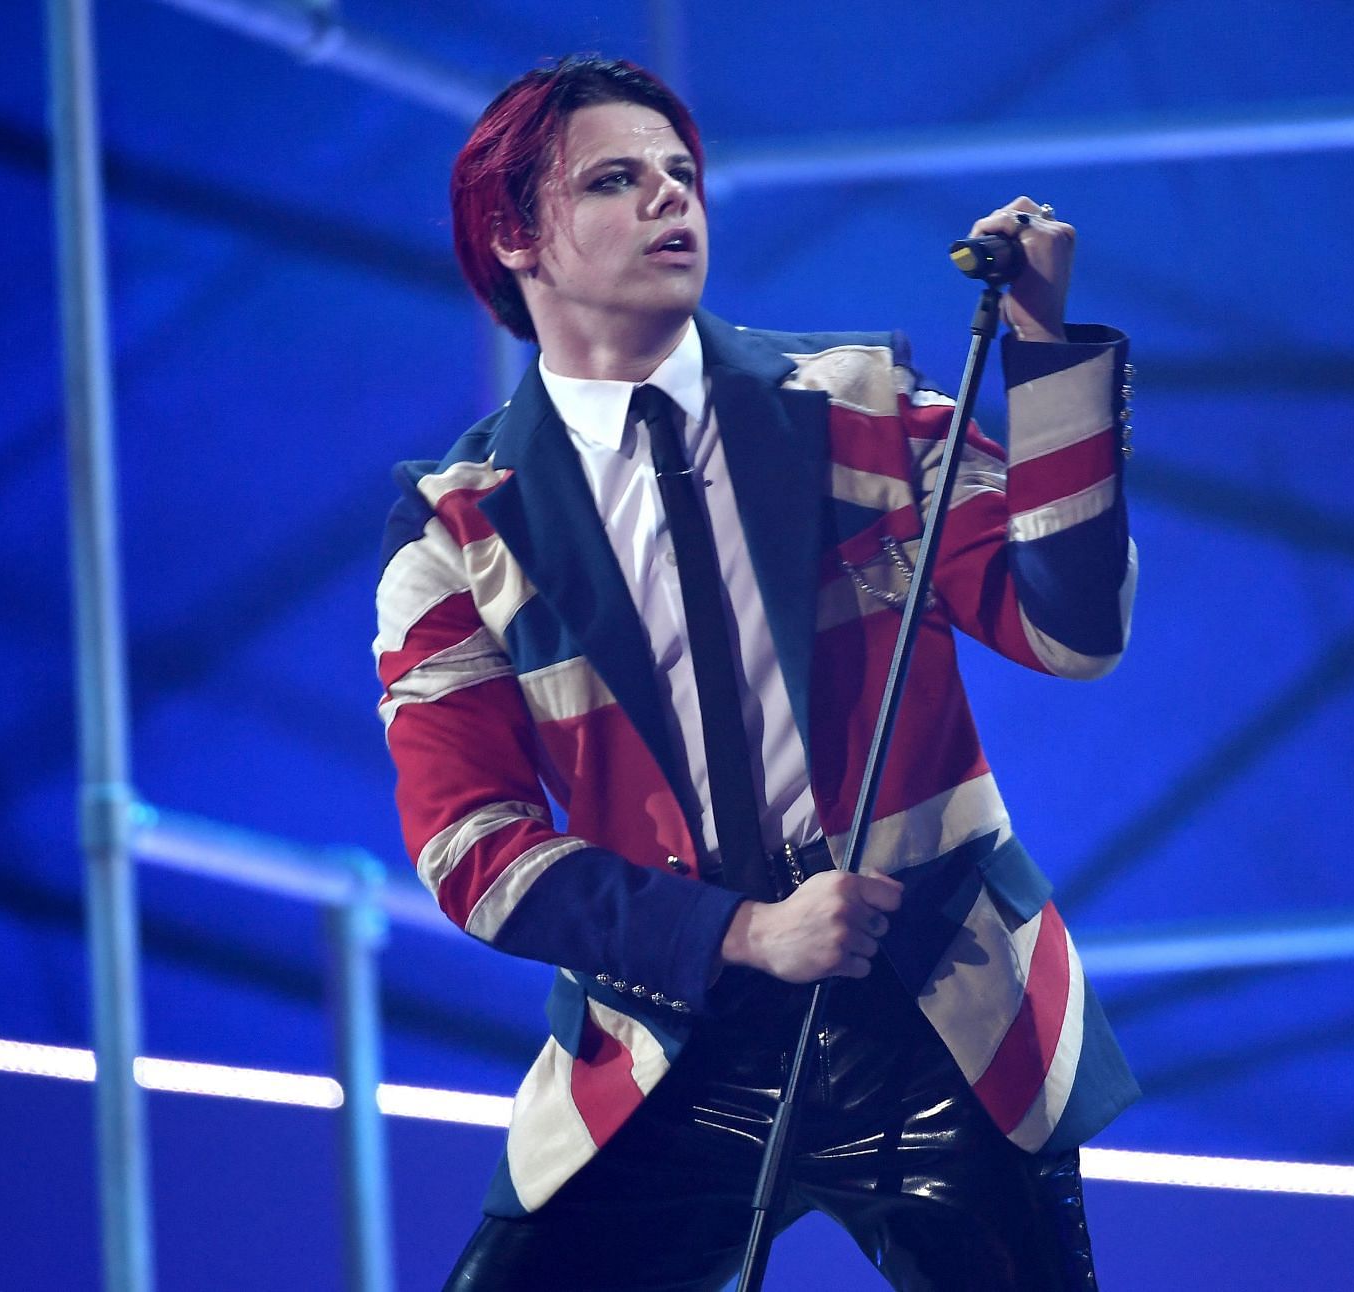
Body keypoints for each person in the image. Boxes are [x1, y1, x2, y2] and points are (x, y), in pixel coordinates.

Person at [374, 55, 1140, 1291]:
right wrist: (739, 931)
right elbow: (471, 849)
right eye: (618, 181)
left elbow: (1072, 630)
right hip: (673, 1039)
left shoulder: (860, 402)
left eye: (683, 174)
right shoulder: (457, 528)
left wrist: (1045, 351)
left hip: (938, 1019)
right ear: (513, 234)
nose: (673, 201)